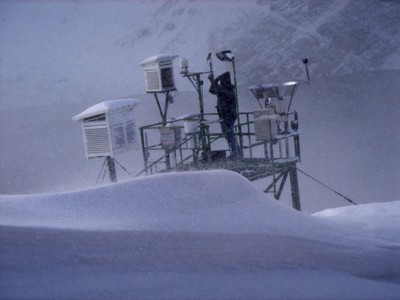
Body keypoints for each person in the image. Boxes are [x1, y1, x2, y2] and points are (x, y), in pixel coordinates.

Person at [208, 71, 240, 158]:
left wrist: (214, 80)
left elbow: (217, 90)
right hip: (226, 115)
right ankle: (235, 151)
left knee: (229, 133)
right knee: (228, 133)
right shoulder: (226, 88)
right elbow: (212, 90)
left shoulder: (227, 89)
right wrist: (214, 80)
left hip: (228, 116)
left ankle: (235, 151)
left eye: (221, 80)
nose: (221, 82)